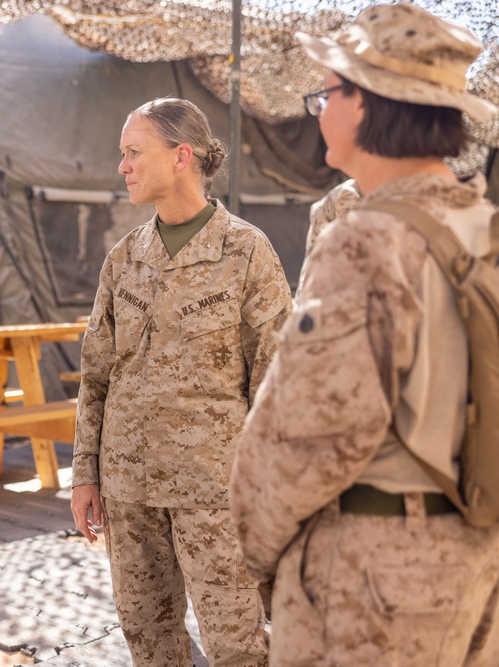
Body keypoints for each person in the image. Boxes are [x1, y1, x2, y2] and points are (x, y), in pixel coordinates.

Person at [230, 4, 499, 666]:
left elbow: (303, 441)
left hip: (370, 589)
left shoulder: (366, 240)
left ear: (368, 103)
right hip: (476, 565)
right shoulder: (486, 229)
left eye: (327, 91)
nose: (318, 109)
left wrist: (256, 556)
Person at [70, 96, 292, 666]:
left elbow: (278, 382)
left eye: (133, 152)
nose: (122, 166)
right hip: (128, 491)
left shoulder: (246, 253)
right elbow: (96, 375)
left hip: (214, 494)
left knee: (236, 645)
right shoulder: (124, 259)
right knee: (148, 642)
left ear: (181, 157)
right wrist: (85, 475)